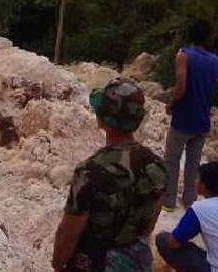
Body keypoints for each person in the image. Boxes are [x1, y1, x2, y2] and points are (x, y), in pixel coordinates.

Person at [51, 78, 168, 271]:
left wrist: (58, 264)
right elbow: (151, 220)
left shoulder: (90, 171)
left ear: (102, 120)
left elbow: (69, 233)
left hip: (97, 260)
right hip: (137, 258)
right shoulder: (159, 166)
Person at [164, 21, 218, 211]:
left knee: (172, 160)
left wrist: (171, 104)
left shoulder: (184, 55)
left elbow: (181, 87)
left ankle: (168, 201)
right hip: (203, 119)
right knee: (193, 163)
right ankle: (189, 201)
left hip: (183, 117)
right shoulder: (216, 61)